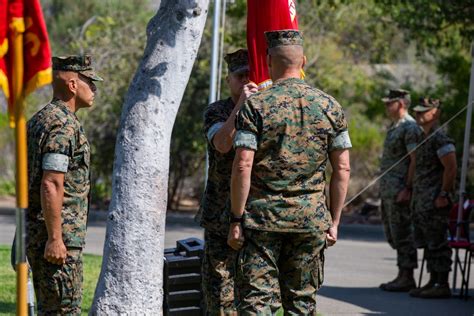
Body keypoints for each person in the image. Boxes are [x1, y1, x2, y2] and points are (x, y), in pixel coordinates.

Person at [228, 30, 351, 314]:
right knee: (301, 303)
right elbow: (342, 168)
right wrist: (334, 221)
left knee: (257, 303)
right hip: (310, 221)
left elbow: (243, 164)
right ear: (303, 61)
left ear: (269, 61)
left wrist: (236, 218)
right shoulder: (330, 106)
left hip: (261, 221)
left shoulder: (255, 105)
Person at [26, 55, 102, 315]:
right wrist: (56, 239)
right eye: (89, 82)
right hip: (57, 243)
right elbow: (51, 183)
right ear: (72, 85)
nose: (94, 89)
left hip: (39, 235)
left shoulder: (39, 120)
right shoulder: (63, 126)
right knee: (63, 311)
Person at [197, 49, 258, 314]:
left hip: (256, 214)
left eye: (249, 75)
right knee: (219, 290)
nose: (245, 81)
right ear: (228, 79)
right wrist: (240, 107)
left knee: (254, 292)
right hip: (220, 214)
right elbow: (222, 144)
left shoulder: (264, 111)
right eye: (239, 76)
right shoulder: (217, 111)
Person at [409, 97, 457, 299]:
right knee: (428, 243)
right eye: (417, 111)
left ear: (435, 113)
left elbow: (451, 167)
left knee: (437, 242)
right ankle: (432, 280)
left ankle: (442, 283)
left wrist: (444, 194)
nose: (419, 115)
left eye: (423, 111)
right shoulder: (423, 137)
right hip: (422, 200)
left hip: (435, 200)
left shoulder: (440, 138)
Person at [379, 89, 419, 292]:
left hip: (400, 190)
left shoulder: (409, 127)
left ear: (401, 104)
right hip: (389, 190)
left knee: (403, 232)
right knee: (394, 232)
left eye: (390, 103)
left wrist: (408, 187)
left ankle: (407, 276)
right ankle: (402, 274)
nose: (387, 107)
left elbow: (414, 159)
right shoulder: (395, 126)